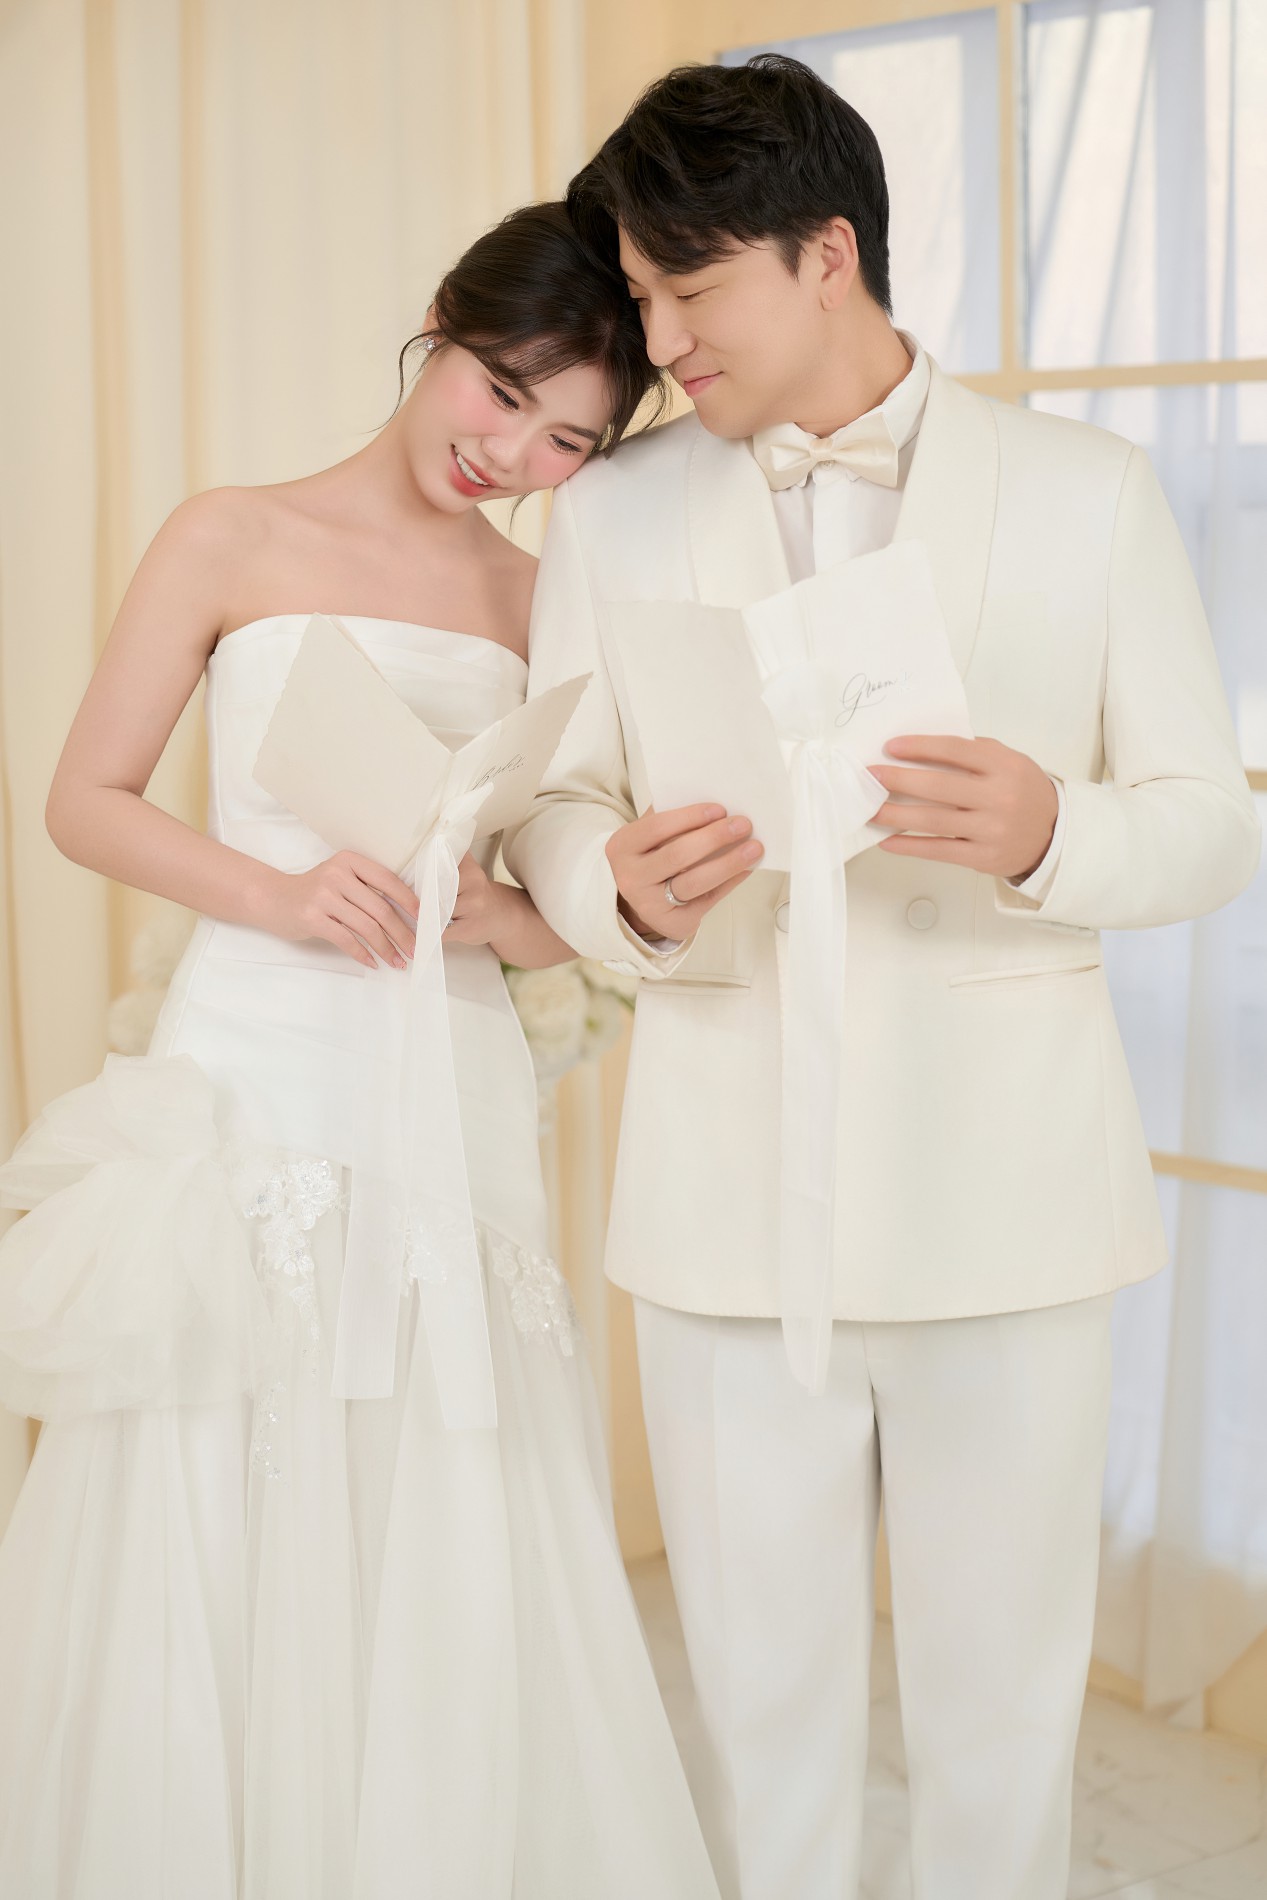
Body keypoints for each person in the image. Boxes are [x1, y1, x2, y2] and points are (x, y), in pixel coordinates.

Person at [502, 57, 1262, 1900]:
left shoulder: (1089, 493)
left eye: (692, 291)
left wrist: (1049, 829)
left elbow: (1209, 825)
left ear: (827, 253)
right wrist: (614, 888)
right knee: (760, 1718)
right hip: (724, 1213)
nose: (660, 340)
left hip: (1007, 1205)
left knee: (1002, 1723)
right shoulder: (613, 515)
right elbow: (550, 808)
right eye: (642, 295)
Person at [0, 202, 721, 1900]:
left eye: (565, 441)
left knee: (447, 1456)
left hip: (447, 1076)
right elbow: (83, 801)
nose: (511, 455)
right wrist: (277, 890)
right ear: (440, 325)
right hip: (254, 1058)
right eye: (500, 392)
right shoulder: (230, 534)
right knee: (210, 1451)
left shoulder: (546, 599)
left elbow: (553, 907)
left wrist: (512, 911)